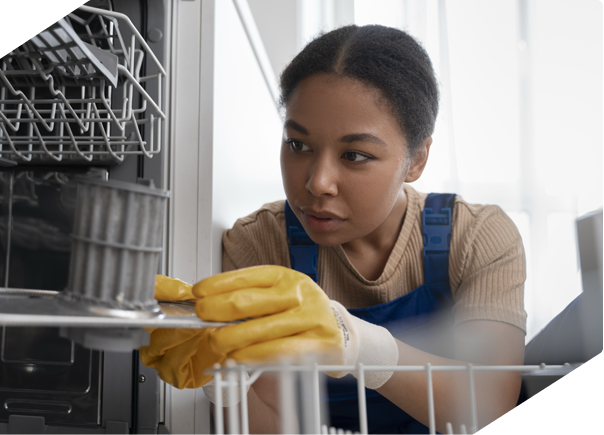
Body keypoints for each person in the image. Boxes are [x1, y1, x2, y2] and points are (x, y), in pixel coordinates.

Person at [140, 25, 527, 435]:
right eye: (298, 145)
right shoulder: (261, 242)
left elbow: (489, 410)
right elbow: (272, 423)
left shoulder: (478, 237)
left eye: (355, 155)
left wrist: (353, 340)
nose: (317, 182)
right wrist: (224, 378)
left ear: (416, 160)